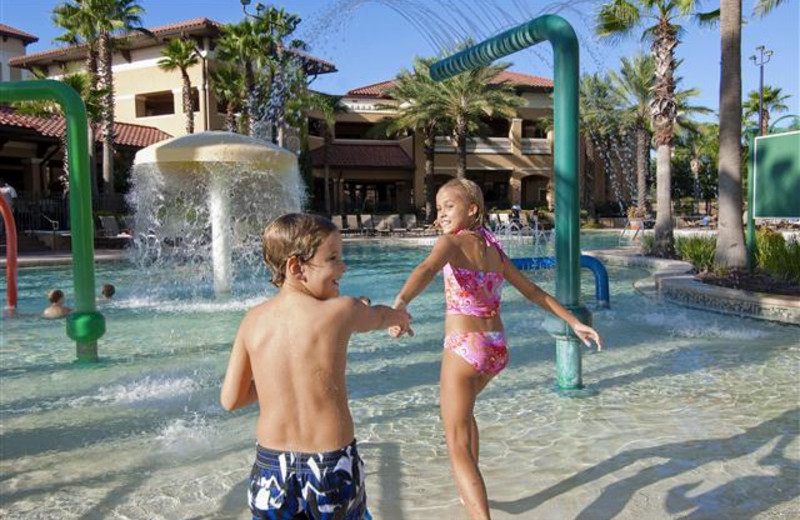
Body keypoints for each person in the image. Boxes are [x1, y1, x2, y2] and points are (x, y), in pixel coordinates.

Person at [390, 179, 602, 520]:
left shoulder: (451, 243)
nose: (441, 212)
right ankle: (468, 493)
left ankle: (479, 513)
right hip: (495, 350)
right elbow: (533, 291)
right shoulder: (493, 249)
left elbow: (426, 269)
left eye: (449, 205)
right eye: (439, 206)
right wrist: (572, 322)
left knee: (455, 442)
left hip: (464, 348)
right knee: (465, 416)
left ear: (472, 209)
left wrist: (400, 304)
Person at [221, 213, 410, 520]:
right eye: (333, 258)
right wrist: (400, 318)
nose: (343, 267)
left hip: (271, 469)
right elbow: (378, 316)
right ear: (296, 267)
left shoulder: (252, 320)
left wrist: (276, 382)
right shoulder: (342, 311)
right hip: (330, 465)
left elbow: (231, 399)